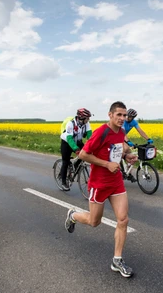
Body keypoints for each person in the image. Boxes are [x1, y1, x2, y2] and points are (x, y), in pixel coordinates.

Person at [65, 101, 138, 278]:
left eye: (124, 115)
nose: (122, 118)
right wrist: (106, 164)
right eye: (118, 115)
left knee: (123, 220)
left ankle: (117, 260)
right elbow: (83, 155)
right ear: (110, 115)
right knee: (94, 222)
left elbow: (120, 147)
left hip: (116, 182)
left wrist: (127, 155)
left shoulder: (121, 132)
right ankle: (73, 216)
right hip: (99, 184)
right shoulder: (101, 132)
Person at [59, 108, 92, 191]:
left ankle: (75, 166)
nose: (88, 120)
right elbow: (69, 138)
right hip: (67, 142)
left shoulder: (86, 123)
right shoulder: (71, 124)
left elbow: (90, 136)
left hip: (78, 141)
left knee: (84, 155)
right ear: (81, 118)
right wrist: (76, 149)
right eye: (87, 118)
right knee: (65, 162)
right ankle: (63, 182)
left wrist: (93, 147)